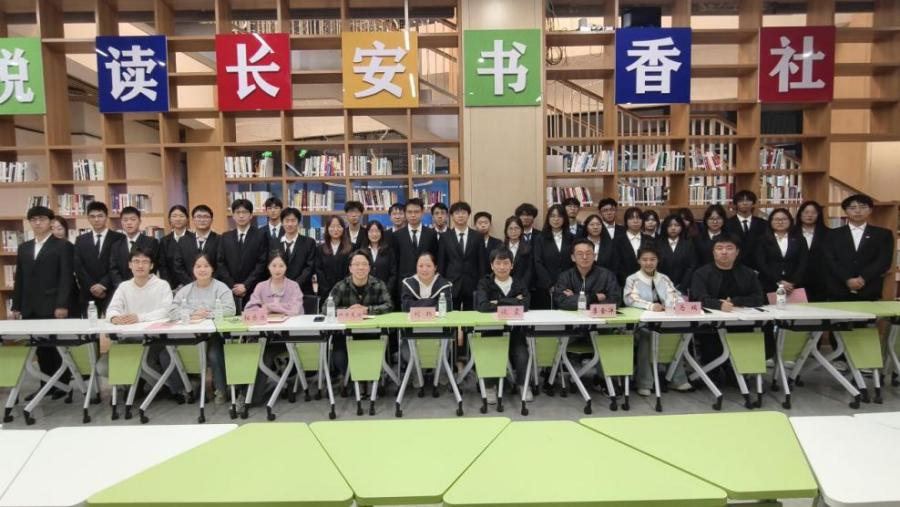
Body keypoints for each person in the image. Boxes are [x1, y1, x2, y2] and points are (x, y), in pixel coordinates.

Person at [12, 206, 74, 399]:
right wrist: (16, 305)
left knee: (56, 347)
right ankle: (45, 385)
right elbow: (19, 278)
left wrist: (62, 304)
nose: (38, 223)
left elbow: (66, 277)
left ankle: (62, 385)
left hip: (53, 305)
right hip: (30, 306)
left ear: (50, 222)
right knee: (40, 349)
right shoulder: (24, 247)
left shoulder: (62, 246)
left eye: (42, 219)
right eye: (34, 220)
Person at [623, 247, 691, 396]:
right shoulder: (632, 279)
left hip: (664, 321)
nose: (649, 263)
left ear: (658, 261)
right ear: (639, 261)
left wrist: (674, 304)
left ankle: (677, 379)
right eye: (645, 259)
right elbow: (630, 299)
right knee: (647, 337)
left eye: (652, 259)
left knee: (676, 336)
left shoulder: (664, 278)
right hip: (641, 324)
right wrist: (651, 306)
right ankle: (644, 382)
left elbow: (675, 295)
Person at [168, 254, 235, 404]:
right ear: (193, 269)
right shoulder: (185, 290)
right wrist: (192, 313)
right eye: (198, 266)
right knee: (170, 353)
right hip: (191, 334)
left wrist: (207, 314)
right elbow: (172, 311)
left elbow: (230, 310)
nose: (202, 269)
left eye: (206, 266)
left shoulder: (221, 288)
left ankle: (221, 389)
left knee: (213, 354)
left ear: (212, 268)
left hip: (216, 334)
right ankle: (187, 387)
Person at [244, 251, 304, 405]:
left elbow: (295, 310)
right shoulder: (261, 286)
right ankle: (242, 393)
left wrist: (270, 307)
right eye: (274, 265)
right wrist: (264, 310)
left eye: (281, 266)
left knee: (263, 354)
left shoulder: (293, 286)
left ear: (286, 267)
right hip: (262, 336)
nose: (277, 269)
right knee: (247, 351)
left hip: (286, 338)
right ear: (268, 267)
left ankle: (251, 398)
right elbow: (249, 309)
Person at [474, 248, 531, 403]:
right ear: (492, 265)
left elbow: (525, 305)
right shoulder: (485, 282)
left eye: (506, 263)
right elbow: (483, 306)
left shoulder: (519, 282)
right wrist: (514, 301)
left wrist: (497, 301)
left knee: (522, 354)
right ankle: (490, 386)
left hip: (515, 330)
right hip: (491, 330)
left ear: (512, 265)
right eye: (498, 263)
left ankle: (523, 385)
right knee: (490, 351)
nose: (502, 267)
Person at [328, 250, 393, 377]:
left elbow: (389, 306)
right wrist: (348, 311)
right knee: (340, 359)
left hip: (373, 333)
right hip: (346, 334)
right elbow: (326, 308)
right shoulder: (341, 286)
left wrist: (367, 310)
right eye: (356, 264)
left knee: (372, 361)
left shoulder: (378, 284)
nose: (360, 267)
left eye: (364, 264)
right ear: (350, 268)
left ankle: (369, 378)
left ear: (369, 267)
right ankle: (350, 379)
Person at [825, 193, 893, 301]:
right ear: (845, 211)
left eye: (863, 207)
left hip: (869, 288)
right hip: (839, 289)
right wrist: (847, 279)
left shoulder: (883, 234)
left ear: (870, 210)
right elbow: (830, 260)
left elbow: (884, 260)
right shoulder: (832, 234)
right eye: (852, 208)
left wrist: (863, 278)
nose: (858, 211)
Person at [74, 201, 125, 316]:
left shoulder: (119, 238)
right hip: (88, 292)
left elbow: (119, 265)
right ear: (88, 218)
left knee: (113, 323)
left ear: (106, 217)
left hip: (111, 291)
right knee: (89, 326)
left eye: (100, 216)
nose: (96, 220)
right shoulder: (80, 240)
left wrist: (103, 285)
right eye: (92, 216)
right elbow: (78, 267)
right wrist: (92, 286)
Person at [690, 235, 765, 312]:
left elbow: (759, 298)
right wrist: (718, 304)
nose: (724, 252)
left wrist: (735, 302)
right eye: (719, 248)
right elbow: (697, 298)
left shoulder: (748, 273)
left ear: (737, 252)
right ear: (713, 252)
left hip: (742, 315)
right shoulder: (701, 273)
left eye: (729, 248)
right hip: (710, 317)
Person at [217, 199, 267, 308]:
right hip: (230, 290)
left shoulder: (260, 235)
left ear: (251, 215)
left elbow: (262, 263)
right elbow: (220, 263)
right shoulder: (225, 237)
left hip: (254, 289)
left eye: (244, 212)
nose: (241, 216)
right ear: (233, 216)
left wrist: (246, 285)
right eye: (237, 212)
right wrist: (233, 285)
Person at [107, 248, 173, 324]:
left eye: (145, 262)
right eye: (136, 261)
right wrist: (114, 317)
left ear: (151, 266)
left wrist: (140, 317)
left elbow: (167, 310)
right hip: (129, 329)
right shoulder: (124, 286)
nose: (140, 266)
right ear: (130, 265)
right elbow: (112, 309)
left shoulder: (162, 285)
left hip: (154, 329)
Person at [553, 238, 621, 309]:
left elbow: (615, 300)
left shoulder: (607, 276)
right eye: (580, 254)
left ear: (594, 256)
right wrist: (594, 297)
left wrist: (576, 298)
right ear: (573, 257)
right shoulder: (565, 277)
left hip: (597, 316)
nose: (584, 257)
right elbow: (561, 301)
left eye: (588, 253)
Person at [439, 201, 482, 310]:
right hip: (451, 284)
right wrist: (442, 284)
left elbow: (482, 262)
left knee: (472, 316)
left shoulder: (477, 236)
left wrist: (481, 285)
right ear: (452, 216)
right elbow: (441, 263)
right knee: (451, 316)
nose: (460, 215)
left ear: (469, 214)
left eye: (463, 212)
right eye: (457, 213)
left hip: (472, 284)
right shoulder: (445, 237)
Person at [755, 208, 808, 295]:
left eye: (784, 219)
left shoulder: (800, 239)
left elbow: (803, 262)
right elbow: (761, 263)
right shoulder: (762, 240)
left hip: (793, 285)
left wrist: (792, 282)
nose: (780, 222)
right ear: (770, 221)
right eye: (776, 219)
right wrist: (779, 281)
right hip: (770, 283)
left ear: (790, 221)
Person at [108, 206, 160, 292]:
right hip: (123, 290)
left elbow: (154, 267)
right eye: (125, 220)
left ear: (139, 221)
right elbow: (114, 270)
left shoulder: (151, 242)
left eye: (133, 219)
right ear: (121, 222)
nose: (129, 223)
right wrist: (123, 288)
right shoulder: (116, 245)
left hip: (146, 288)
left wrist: (141, 286)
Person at [533, 204, 574, 309]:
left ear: (564, 218)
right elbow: (538, 262)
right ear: (548, 218)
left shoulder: (572, 238)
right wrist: (549, 284)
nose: (556, 219)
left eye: (559, 216)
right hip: (545, 287)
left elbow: (574, 262)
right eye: (553, 216)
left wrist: (566, 283)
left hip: (567, 286)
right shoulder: (540, 238)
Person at [392, 198, 438, 281]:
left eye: (416, 212)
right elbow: (395, 262)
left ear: (422, 213)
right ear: (405, 213)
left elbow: (435, 258)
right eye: (409, 212)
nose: (413, 215)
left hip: (426, 279)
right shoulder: (397, 235)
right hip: (404, 280)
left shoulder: (431, 234)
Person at [174, 204, 220, 285]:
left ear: (212, 220)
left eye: (206, 217)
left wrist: (209, 283)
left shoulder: (220, 240)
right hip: (189, 286)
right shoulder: (183, 241)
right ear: (193, 219)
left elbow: (221, 265)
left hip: (213, 285)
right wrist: (192, 284)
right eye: (198, 217)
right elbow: (178, 267)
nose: (202, 220)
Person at [792, 200, 829, 302]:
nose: (809, 215)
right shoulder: (791, 233)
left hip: (820, 281)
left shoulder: (829, 234)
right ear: (800, 214)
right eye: (806, 212)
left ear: (819, 215)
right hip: (794, 280)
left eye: (813, 212)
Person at [277, 207, 317, 296]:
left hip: (303, 291)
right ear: (282, 223)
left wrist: (294, 285)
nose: (290, 224)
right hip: (280, 291)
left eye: (293, 220)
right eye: (287, 221)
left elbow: (309, 268)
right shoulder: (276, 243)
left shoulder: (309, 242)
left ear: (299, 222)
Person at [724, 190, 767, 269]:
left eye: (748, 200)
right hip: (733, 266)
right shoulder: (727, 224)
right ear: (735, 204)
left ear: (753, 203)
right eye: (741, 200)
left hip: (758, 267)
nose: (745, 203)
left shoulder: (763, 224)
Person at [656, 214, 697, 295]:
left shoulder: (688, 244)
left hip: (683, 288)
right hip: (661, 287)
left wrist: (682, 286)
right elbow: (655, 266)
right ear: (665, 227)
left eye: (677, 225)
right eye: (670, 225)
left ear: (682, 227)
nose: (673, 228)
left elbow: (692, 266)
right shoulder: (657, 244)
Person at [49, 216, 80, 318]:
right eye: (52, 229)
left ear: (66, 230)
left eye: (60, 228)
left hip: (67, 294)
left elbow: (67, 275)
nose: (56, 232)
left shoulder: (67, 246)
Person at [615, 206, 654, 286]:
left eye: (638, 218)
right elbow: (616, 265)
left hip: (648, 283)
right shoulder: (617, 241)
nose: (635, 221)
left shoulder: (650, 240)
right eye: (631, 218)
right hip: (624, 284)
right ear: (626, 221)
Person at [316, 215, 351, 299]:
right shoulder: (320, 249)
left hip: (346, 290)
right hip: (325, 292)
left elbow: (351, 270)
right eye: (332, 226)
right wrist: (326, 289)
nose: (335, 229)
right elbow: (318, 270)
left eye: (338, 226)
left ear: (343, 229)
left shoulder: (351, 248)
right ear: (327, 229)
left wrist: (342, 287)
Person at [158, 205, 192, 289]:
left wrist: (188, 284)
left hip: (191, 285)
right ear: (169, 219)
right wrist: (169, 286)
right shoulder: (164, 241)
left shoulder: (194, 238)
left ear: (187, 219)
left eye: (181, 216)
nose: (178, 219)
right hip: (171, 287)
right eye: (174, 216)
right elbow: (163, 266)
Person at [365, 221, 396, 296]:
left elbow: (393, 273)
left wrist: (386, 290)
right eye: (371, 231)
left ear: (381, 233)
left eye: (377, 231)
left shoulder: (388, 250)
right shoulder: (362, 250)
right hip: (366, 293)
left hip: (385, 292)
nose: (374, 234)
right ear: (367, 233)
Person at [503, 216, 533, 289]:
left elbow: (529, 271)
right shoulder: (500, 248)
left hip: (522, 288)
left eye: (516, 228)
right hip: (504, 287)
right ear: (506, 231)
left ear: (521, 230)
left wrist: (521, 288)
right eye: (510, 228)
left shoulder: (528, 248)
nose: (513, 231)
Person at [474, 211, 503, 275]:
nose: (483, 225)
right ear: (475, 225)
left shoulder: (498, 243)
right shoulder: (471, 242)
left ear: (490, 225)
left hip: (493, 276)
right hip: (474, 277)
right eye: (480, 223)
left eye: (486, 223)